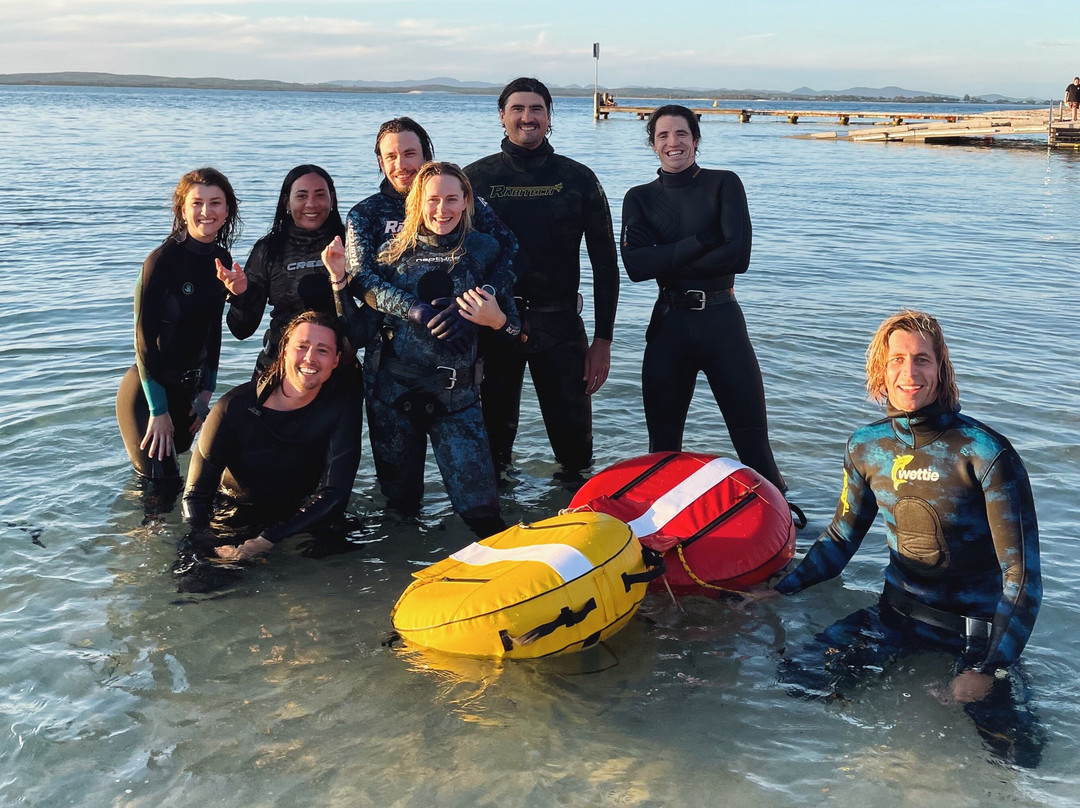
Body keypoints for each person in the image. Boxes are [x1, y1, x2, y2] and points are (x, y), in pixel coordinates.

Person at [773, 310, 1043, 766]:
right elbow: (840, 540)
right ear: (881, 370)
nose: (909, 372)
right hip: (894, 617)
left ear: (941, 369)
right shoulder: (866, 447)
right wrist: (777, 591)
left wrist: (985, 668)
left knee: (1019, 756)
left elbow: (1022, 578)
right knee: (794, 685)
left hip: (973, 635)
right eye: (896, 359)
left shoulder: (984, 452)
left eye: (922, 359)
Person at [324, 162, 520, 539]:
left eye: (451, 199)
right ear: (417, 203)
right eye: (433, 199)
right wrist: (338, 283)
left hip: (459, 401)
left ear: (467, 202)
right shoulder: (387, 258)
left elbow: (513, 331)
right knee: (401, 510)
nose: (442, 209)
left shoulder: (485, 252)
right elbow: (359, 333)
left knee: (483, 515)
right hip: (393, 400)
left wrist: (492, 319)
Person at [620, 104, 787, 494]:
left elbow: (738, 257)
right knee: (661, 451)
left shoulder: (724, 183)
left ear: (695, 139)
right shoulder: (639, 198)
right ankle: (656, 535)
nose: (672, 142)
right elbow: (636, 266)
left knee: (754, 448)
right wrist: (703, 240)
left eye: (681, 134)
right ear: (653, 144)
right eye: (663, 135)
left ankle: (789, 530)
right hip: (669, 328)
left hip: (722, 323)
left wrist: (667, 254)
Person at [465, 77, 619, 476]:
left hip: (560, 326)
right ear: (502, 116)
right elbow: (451, 258)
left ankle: (581, 527)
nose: (527, 117)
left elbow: (605, 263)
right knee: (493, 451)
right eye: (517, 109)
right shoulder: (473, 180)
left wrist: (603, 340)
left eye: (536, 109)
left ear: (549, 117)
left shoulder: (578, 179)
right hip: (493, 326)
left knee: (575, 454)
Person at [181, 311, 363, 561]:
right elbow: (196, 496)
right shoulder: (233, 407)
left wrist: (270, 538)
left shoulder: (340, 410)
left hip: (299, 517)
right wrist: (209, 541)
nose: (310, 358)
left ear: (335, 360)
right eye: (302, 346)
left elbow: (335, 493)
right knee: (199, 589)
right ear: (284, 350)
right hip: (234, 515)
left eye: (322, 350)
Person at [116, 167, 246, 484]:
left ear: (227, 209)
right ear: (182, 209)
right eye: (197, 202)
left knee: (174, 485)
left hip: (190, 393)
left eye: (215, 202)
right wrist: (158, 410)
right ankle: (134, 534)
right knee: (161, 488)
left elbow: (213, 330)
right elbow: (143, 343)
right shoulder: (161, 261)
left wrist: (205, 392)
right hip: (148, 394)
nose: (206, 211)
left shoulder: (222, 259)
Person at [226, 165, 363, 378]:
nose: (311, 204)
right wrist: (240, 295)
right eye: (301, 196)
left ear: (332, 199)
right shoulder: (269, 250)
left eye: (320, 195)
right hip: (279, 367)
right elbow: (242, 330)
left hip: (336, 371)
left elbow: (365, 325)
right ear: (286, 202)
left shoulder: (352, 246)